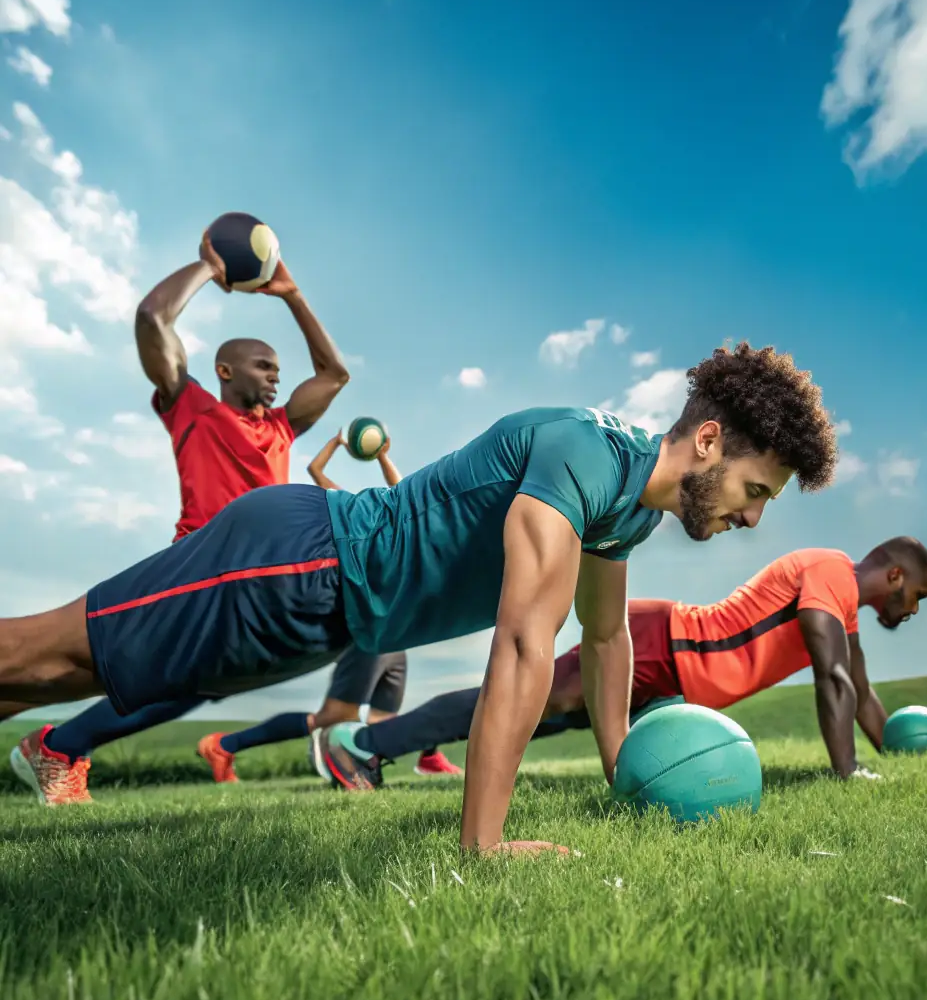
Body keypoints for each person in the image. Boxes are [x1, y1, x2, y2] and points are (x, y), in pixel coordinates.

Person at [0, 342, 838, 853]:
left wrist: (623, 770)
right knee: (40, 655)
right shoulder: (588, 453)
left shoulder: (630, 514)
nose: (754, 516)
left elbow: (608, 637)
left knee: (62, 680)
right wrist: (485, 843)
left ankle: (46, 747)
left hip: (327, 615)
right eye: (755, 487)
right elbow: (522, 643)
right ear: (707, 441)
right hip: (299, 560)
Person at [9, 232, 348, 806]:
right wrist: (207, 269)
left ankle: (59, 746)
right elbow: (152, 317)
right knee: (90, 666)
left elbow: (334, 375)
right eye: (263, 366)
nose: (274, 376)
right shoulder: (192, 405)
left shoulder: (282, 429)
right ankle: (58, 746)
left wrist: (291, 296)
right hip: (196, 567)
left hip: (257, 579)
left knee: (191, 680)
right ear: (224, 370)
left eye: (276, 369)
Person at [316, 539, 927, 787]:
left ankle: (373, 746)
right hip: (660, 641)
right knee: (527, 700)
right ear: (896, 575)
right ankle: (360, 746)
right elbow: (832, 678)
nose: (912, 611)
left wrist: (894, 752)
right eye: (916, 597)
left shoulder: (847, 608)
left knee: (546, 720)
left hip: (673, 685)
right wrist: (847, 772)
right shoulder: (832, 572)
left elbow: (858, 686)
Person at [196, 430, 461, 781]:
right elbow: (315, 470)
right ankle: (226, 744)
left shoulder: (406, 528)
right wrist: (338, 442)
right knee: (331, 718)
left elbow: (402, 491)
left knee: (385, 723)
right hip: (370, 634)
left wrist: (382, 455)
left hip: (395, 642)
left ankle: (426, 756)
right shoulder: (361, 531)